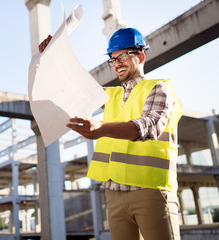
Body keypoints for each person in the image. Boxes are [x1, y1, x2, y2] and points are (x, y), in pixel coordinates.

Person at [39, 28, 183, 240]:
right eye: (113, 58)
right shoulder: (111, 95)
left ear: (140, 56)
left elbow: (150, 125)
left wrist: (102, 129)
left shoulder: (158, 88)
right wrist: (53, 59)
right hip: (114, 196)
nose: (117, 63)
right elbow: (73, 91)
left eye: (123, 55)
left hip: (151, 193)